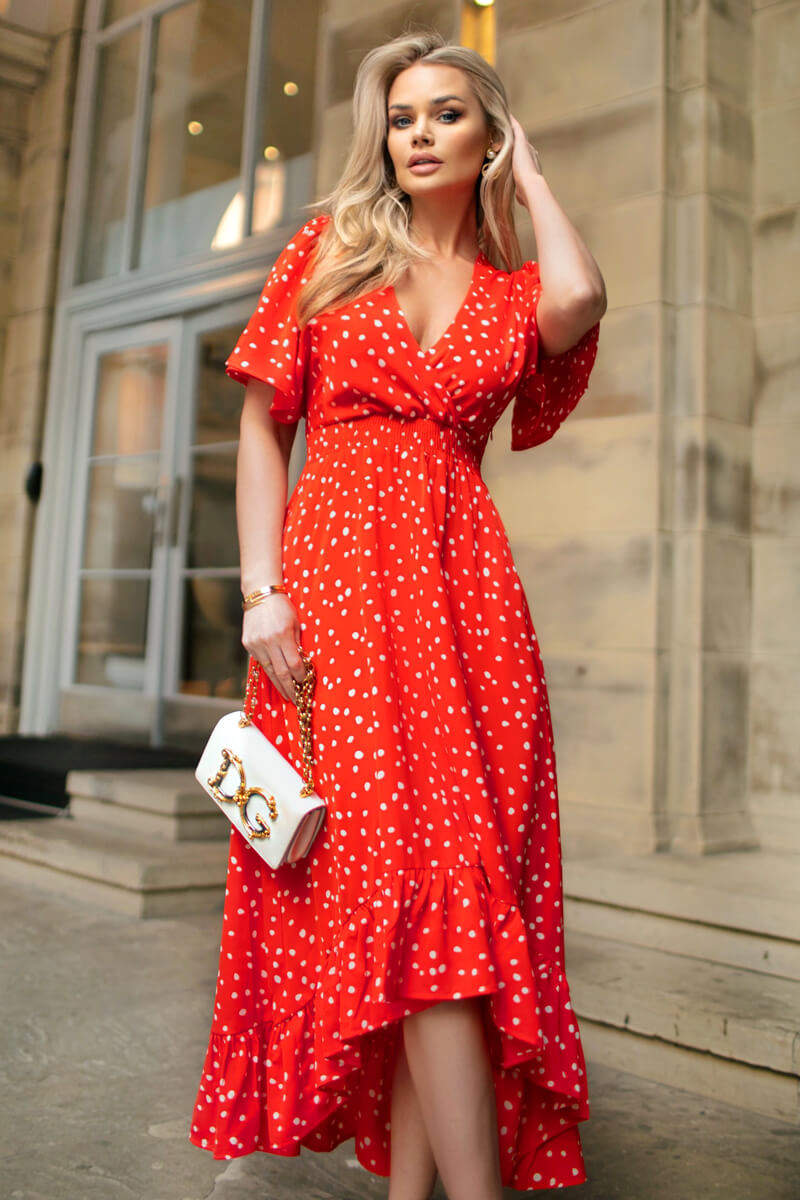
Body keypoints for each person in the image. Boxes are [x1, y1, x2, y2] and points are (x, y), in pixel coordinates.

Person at [189, 26, 606, 1200]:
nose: (416, 134)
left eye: (447, 115)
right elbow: (264, 425)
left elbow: (580, 296)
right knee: (402, 894)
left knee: (448, 905)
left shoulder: (518, 291)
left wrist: (529, 175)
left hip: (466, 606)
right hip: (332, 592)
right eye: (400, 115)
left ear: (486, 135)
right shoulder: (331, 251)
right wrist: (260, 594)